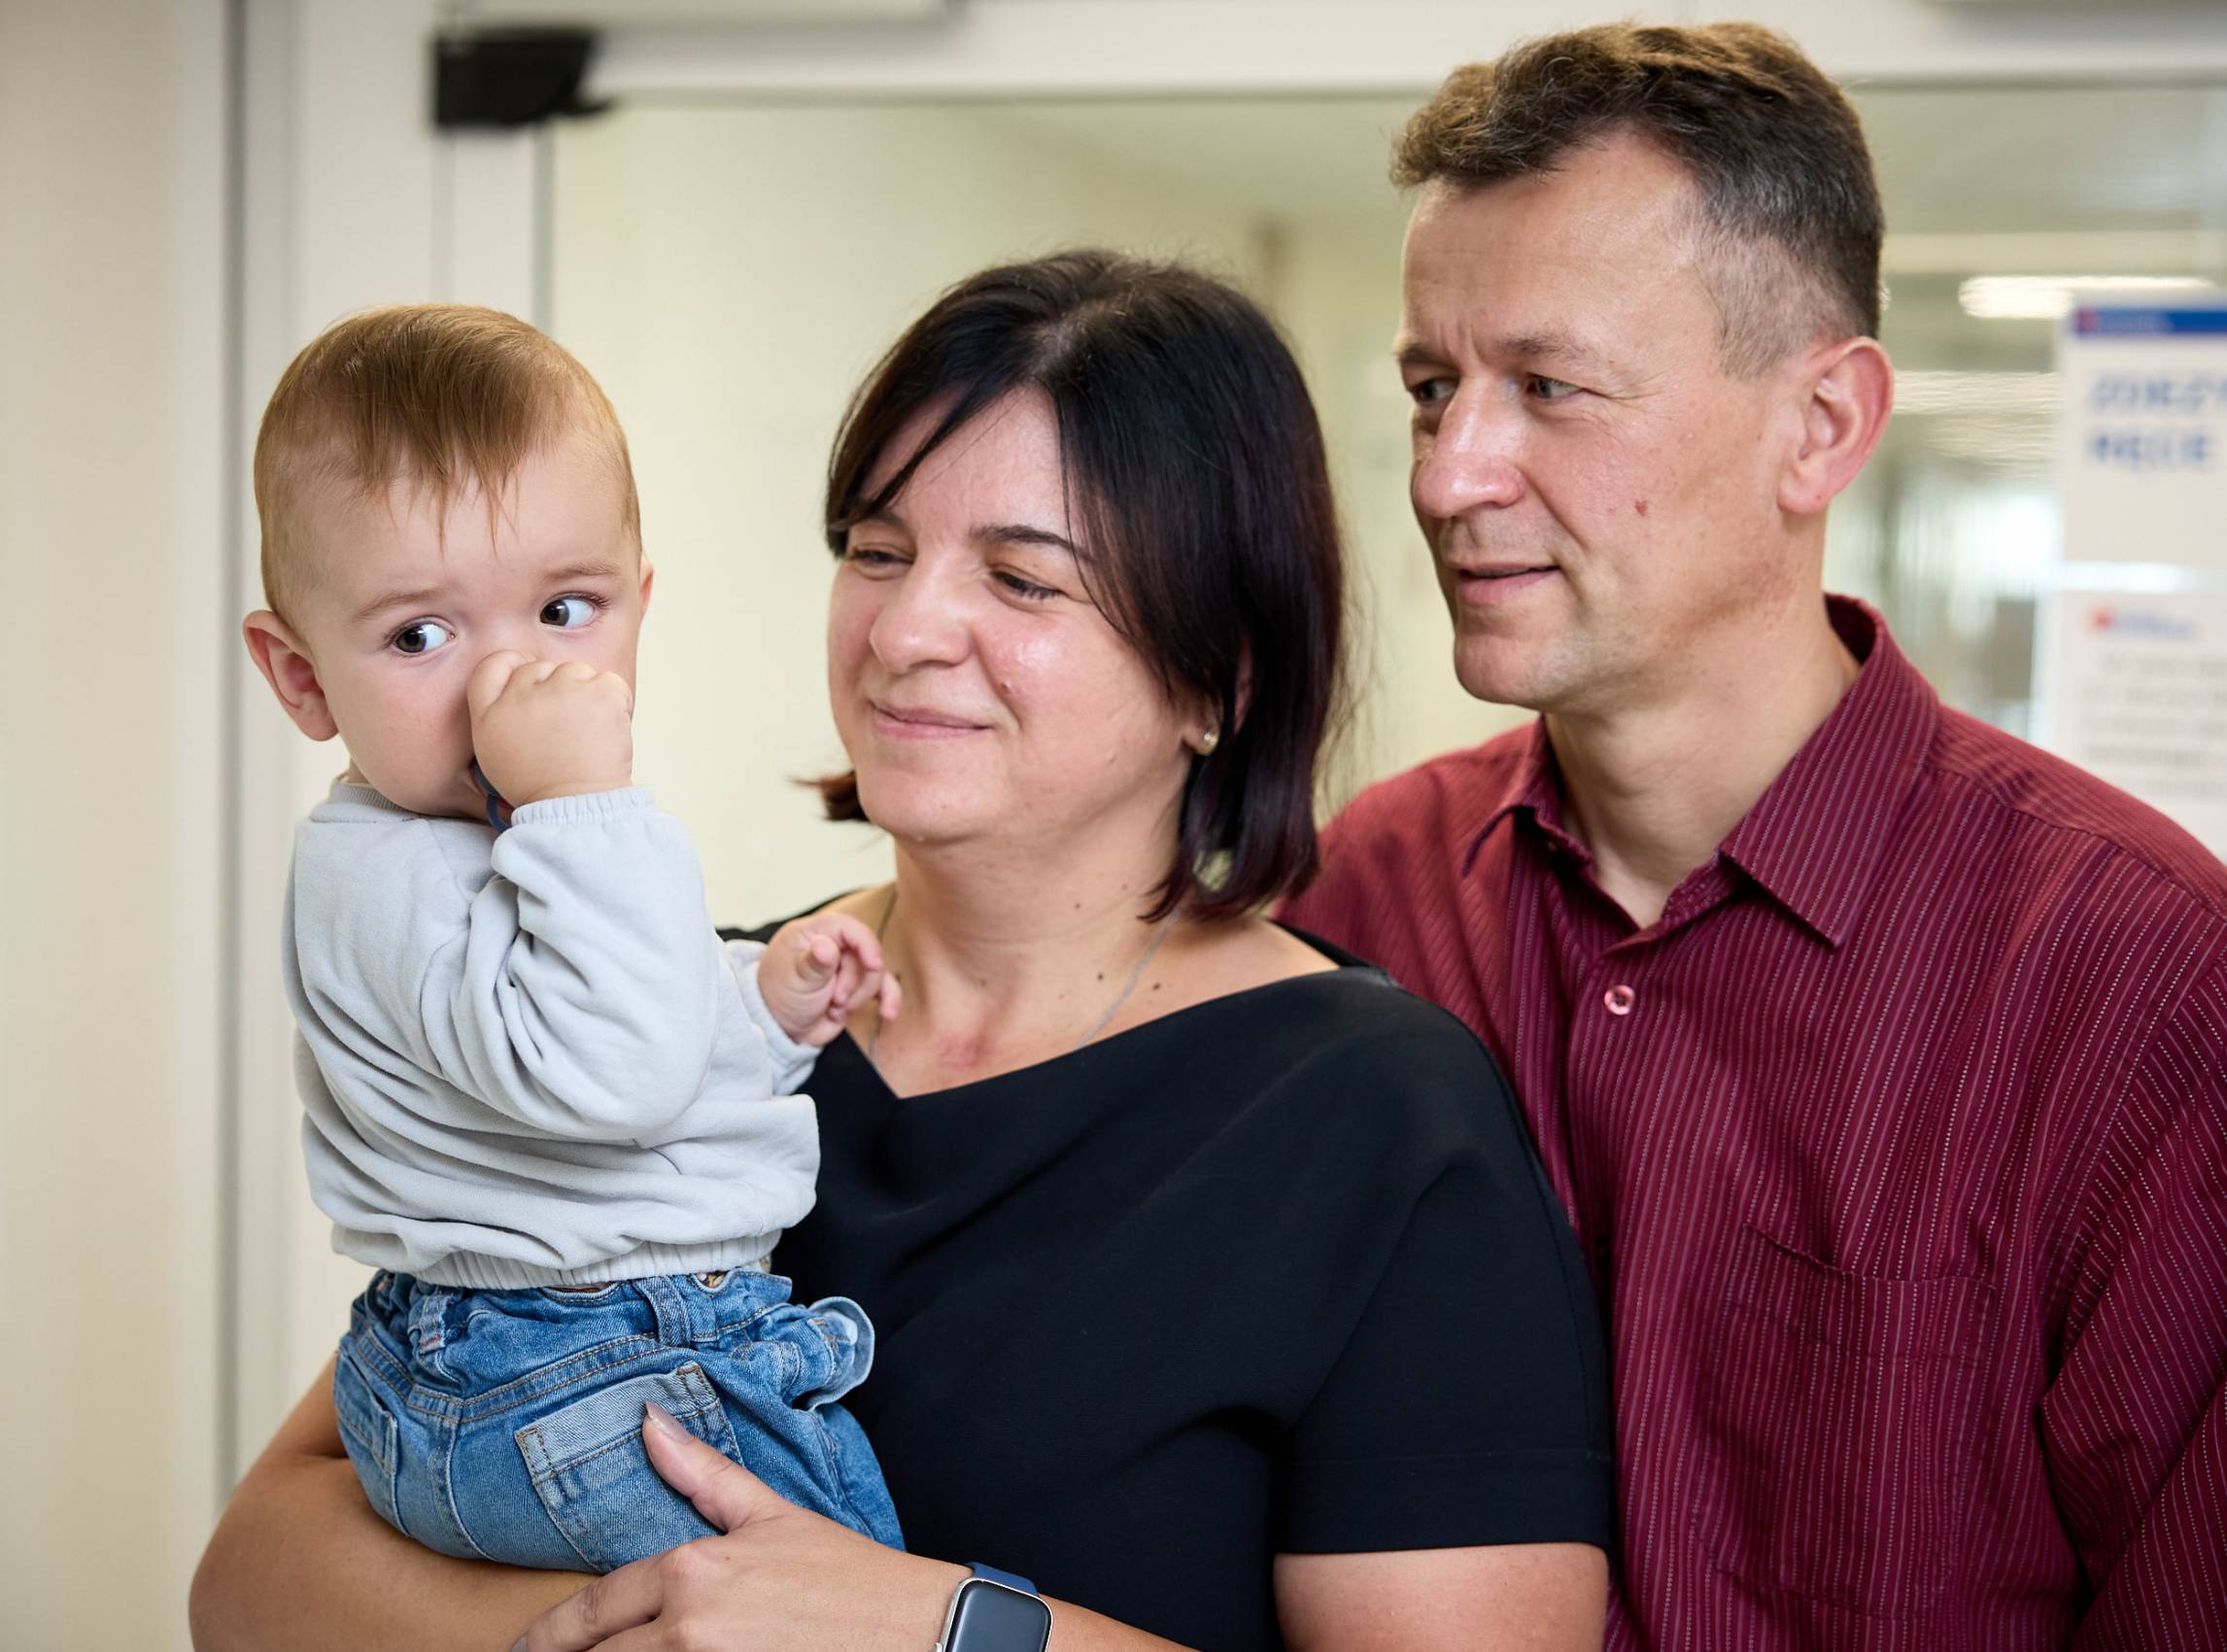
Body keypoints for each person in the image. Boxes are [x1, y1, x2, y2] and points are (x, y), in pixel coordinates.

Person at [192, 254, 1617, 1652]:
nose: (908, 628)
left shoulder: (1381, 1120)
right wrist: (680, 1627)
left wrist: (944, 1632)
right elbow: (253, 1580)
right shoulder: (682, 1005)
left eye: (1024, 579)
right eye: (878, 552)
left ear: (1219, 674)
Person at [1283, 22, 2227, 1651]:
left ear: (1822, 426)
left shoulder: (2140, 980)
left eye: (1548, 388)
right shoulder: (1374, 884)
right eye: (1434, 389)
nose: (1448, 476)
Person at [236, 304, 904, 1574]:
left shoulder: (468, 851)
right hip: (586, 1362)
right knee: (855, 1603)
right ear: (302, 677)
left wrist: (757, 1008)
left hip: (509, 1355)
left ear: (637, 608)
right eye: (420, 634)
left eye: (563, 610)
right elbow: (621, 1080)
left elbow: (588, 1041)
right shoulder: (392, 875)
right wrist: (581, 799)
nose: (510, 686)